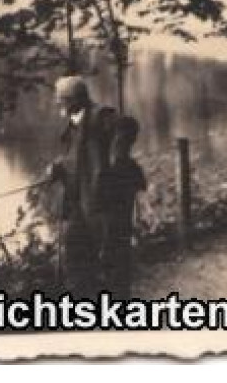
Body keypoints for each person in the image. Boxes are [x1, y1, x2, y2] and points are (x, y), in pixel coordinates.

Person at [46, 75, 113, 297]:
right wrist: (58, 166)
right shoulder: (74, 123)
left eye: (61, 99)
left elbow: (118, 132)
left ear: (74, 100)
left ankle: (92, 301)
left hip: (95, 200)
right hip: (76, 201)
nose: (57, 103)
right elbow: (73, 156)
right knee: (74, 250)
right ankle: (83, 299)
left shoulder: (99, 117)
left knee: (92, 252)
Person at [97, 114, 147, 298]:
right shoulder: (108, 168)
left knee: (119, 268)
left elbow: (138, 196)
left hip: (120, 225)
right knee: (112, 267)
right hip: (110, 225)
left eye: (127, 141)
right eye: (120, 140)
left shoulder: (127, 168)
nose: (123, 144)